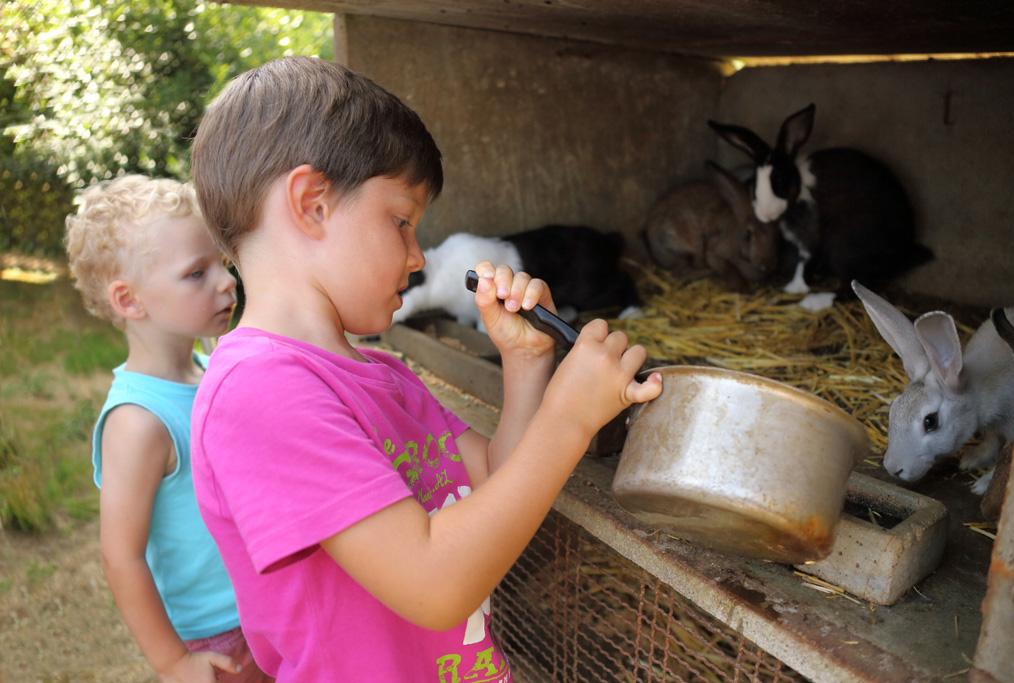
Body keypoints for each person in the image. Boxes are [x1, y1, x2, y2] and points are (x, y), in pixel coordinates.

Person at [188, 56, 663, 682]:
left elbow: (498, 481)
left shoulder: (385, 376)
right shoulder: (260, 391)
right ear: (312, 204)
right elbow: (436, 582)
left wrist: (527, 363)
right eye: (402, 221)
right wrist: (570, 418)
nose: (416, 258)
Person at [64, 175, 271, 682]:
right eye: (196, 273)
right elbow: (121, 556)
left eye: (220, 264)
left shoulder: (208, 368)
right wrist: (173, 661)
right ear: (130, 301)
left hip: (265, 606)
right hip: (218, 635)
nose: (226, 282)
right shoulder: (138, 423)